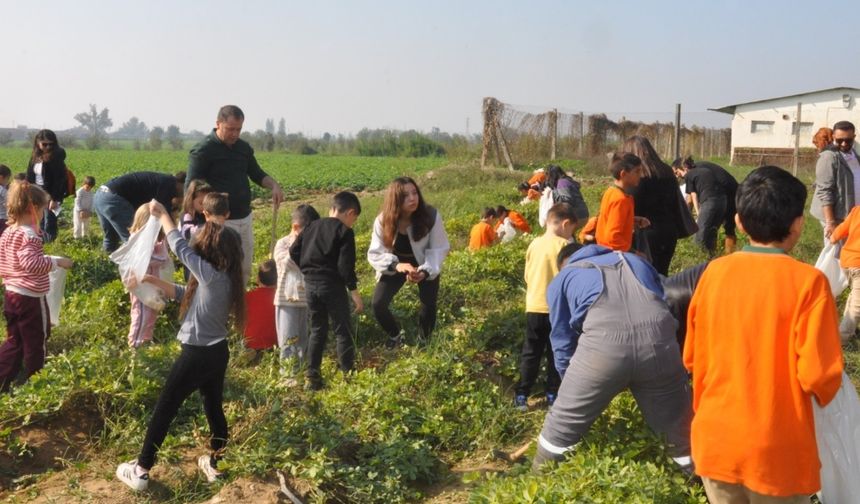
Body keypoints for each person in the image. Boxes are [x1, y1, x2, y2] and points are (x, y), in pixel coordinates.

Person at [684, 166, 843, 503]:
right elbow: (820, 375)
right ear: (798, 223)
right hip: (776, 450)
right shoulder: (808, 283)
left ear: (739, 222)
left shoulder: (714, 273)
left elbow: (691, 357)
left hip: (715, 439)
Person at [115, 200, 246, 491]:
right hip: (217, 351)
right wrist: (151, 279)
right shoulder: (221, 277)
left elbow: (179, 247)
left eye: (201, 241)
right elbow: (185, 293)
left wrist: (162, 215)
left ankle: (141, 469)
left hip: (197, 353)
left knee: (166, 407)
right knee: (213, 407)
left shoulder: (210, 275)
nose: (196, 243)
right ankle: (215, 463)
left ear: (210, 248)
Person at [532, 242, 692, 474]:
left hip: (601, 351)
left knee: (559, 431)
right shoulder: (635, 261)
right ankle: (694, 486)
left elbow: (562, 340)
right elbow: (664, 303)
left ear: (565, 263)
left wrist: (575, 385)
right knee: (681, 435)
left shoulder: (564, 277)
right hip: (659, 344)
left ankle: (539, 482)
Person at [186, 105, 285, 283]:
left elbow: (257, 174)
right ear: (218, 124)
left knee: (244, 267)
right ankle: (223, 307)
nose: (235, 134)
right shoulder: (203, 151)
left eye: (238, 129)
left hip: (244, 217)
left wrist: (274, 185)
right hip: (220, 221)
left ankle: (240, 305)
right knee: (223, 270)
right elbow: (191, 188)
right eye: (230, 129)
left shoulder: (243, 149)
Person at [0, 181, 73, 392]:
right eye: (42, 209)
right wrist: (55, 263)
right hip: (30, 297)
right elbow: (31, 263)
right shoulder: (30, 235)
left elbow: (16, 260)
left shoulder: (9, 232)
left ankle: (3, 378)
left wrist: (50, 257)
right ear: (33, 208)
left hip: (12, 293)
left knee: (15, 339)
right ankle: (36, 381)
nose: (42, 214)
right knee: (37, 339)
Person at [289, 192, 363, 391]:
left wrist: (307, 269)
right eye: (354, 219)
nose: (352, 223)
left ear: (332, 209)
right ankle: (347, 374)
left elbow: (293, 250)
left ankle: (312, 377)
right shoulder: (345, 232)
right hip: (332, 285)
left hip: (311, 285)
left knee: (317, 330)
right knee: (342, 330)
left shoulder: (312, 226)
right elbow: (346, 267)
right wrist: (354, 292)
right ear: (350, 213)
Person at [368, 177, 450, 348]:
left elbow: (439, 248)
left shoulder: (431, 216)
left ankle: (424, 340)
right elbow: (376, 253)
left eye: (414, 193)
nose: (413, 198)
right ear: (395, 199)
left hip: (425, 262)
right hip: (396, 263)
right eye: (405, 195)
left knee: (428, 302)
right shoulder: (383, 220)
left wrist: (425, 271)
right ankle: (395, 335)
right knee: (378, 303)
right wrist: (397, 266)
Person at [514, 202, 577, 411]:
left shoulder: (534, 244)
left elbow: (526, 275)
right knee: (555, 352)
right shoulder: (563, 247)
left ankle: (522, 395)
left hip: (533, 306)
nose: (571, 235)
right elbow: (570, 279)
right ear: (565, 224)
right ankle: (552, 394)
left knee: (531, 352)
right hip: (557, 310)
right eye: (572, 230)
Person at [623, 136, 688, 274]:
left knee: (643, 278)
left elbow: (629, 207)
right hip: (668, 232)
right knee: (661, 275)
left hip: (644, 234)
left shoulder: (637, 177)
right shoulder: (666, 170)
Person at [273, 204, 321, 377]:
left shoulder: (312, 245)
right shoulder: (283, 244)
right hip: (287, 302)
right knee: (288, 340)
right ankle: (287, 376)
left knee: (303, 339)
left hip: (306, 300)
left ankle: (301, 372)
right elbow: (289, 263)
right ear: (296, 228)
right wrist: (298, 244)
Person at [93, 171, 186, 252]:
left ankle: (107, 264)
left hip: (100, 195)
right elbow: (164, 218)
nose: (184, 194)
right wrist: (174, 242)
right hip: (114, 199)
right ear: (181, 183)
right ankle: (138, 269)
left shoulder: (162, 181)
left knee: (111, 238)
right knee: (135, 239)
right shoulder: (169, 184)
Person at [673, 157, 739, 255]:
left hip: (727, 193)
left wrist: (686, 217)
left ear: (683, 167)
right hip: (728, 193)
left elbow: (690, 197)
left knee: (707, 229)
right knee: (716, 229)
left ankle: (705, 256)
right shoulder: (700, 168)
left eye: (676, 172)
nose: (677, 176)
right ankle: (721, 256)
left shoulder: (691, 173)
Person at [125, 205, 170, 348]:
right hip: (141, 287)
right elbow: (160, 260)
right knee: (141, 314)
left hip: (151, 285)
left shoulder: (150, 241)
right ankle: (135, 344)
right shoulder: (138, 241)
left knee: (151, 312)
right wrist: (163, 251)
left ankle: (145, 339)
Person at [811, 121, 860, 239]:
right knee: (833, 254)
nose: (843, 144)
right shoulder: (829, 157)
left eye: (848, 140)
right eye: (839, 140)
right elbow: (824, 190)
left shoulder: (853, 154)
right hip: (836, 216)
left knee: (848, 252)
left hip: (851, 215)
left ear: (854, 137)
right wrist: (830, 222)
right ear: (833, 137)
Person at [595, 153, 650, 252]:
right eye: (637, 172)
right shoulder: (620, 200)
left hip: (604, 249)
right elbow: (613, 237)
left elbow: (610, 221)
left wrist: (632, 220)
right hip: (614, 254)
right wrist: (634, 253)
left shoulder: (611, 192)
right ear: (623, 174)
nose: (640, 175)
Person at [25, 130, 67, 243]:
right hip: (37, 190)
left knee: (49, 219)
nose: (48, 146)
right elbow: (29, 174)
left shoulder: (57, 156)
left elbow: (60, 180)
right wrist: (28, 190)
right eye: (44, 144)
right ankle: (41, 241)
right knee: (40, 218)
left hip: (51, 192)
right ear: (37, 143)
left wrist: (54, 198)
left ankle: (49, 243)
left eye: (51, 144)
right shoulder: (35, 155)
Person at [830, 203, 860, 342]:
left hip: (847, 261)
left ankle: (849, 329)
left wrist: (833, 237)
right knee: (858, 304)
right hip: (858, 264)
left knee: (856, 294)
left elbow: (840, 230)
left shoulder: (857, 210)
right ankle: (841, 338)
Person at [243, 260, 278, 352]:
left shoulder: (248, 296)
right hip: (273, 346)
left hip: (250, 345)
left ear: (257, 278)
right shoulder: (279, 299)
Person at [0, 164, 11, 235]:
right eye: (7, 179)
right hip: (3, 219)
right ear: (1, 178)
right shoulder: (2, 190)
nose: (8, 181)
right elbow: (10, 201)